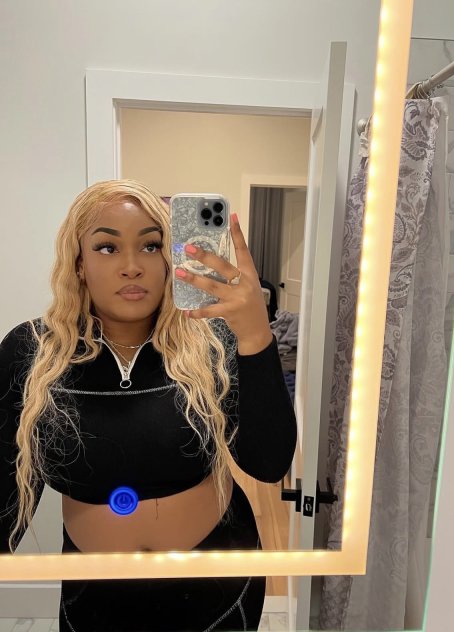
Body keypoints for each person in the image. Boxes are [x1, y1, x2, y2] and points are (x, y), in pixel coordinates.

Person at [0, 179, 297, 631]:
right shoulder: (33, 353)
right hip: (95, 602)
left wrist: (256, 333)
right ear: (79, 263)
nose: (132, 267)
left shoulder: (212, 342)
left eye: (151, 245)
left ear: (169, 259)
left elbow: (269, 464)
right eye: (107, 247)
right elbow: (5, 490)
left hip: (218, 594)